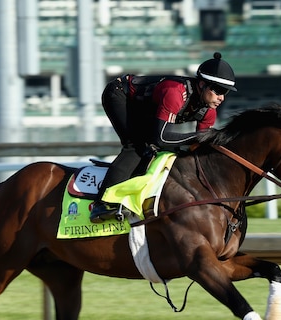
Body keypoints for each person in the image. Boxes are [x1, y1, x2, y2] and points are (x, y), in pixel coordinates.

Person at [90, 52, 237, 223]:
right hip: (120, 95)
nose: (222, 97)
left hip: (147, 109)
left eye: (225, 92)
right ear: (202, 84)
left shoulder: (209, 112)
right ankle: (101, 205)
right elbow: (162, 138)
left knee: (153, 150)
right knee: (137, 147)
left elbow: (200, 148)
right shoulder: (175, 93)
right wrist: (199, 137)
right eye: (218, 90)